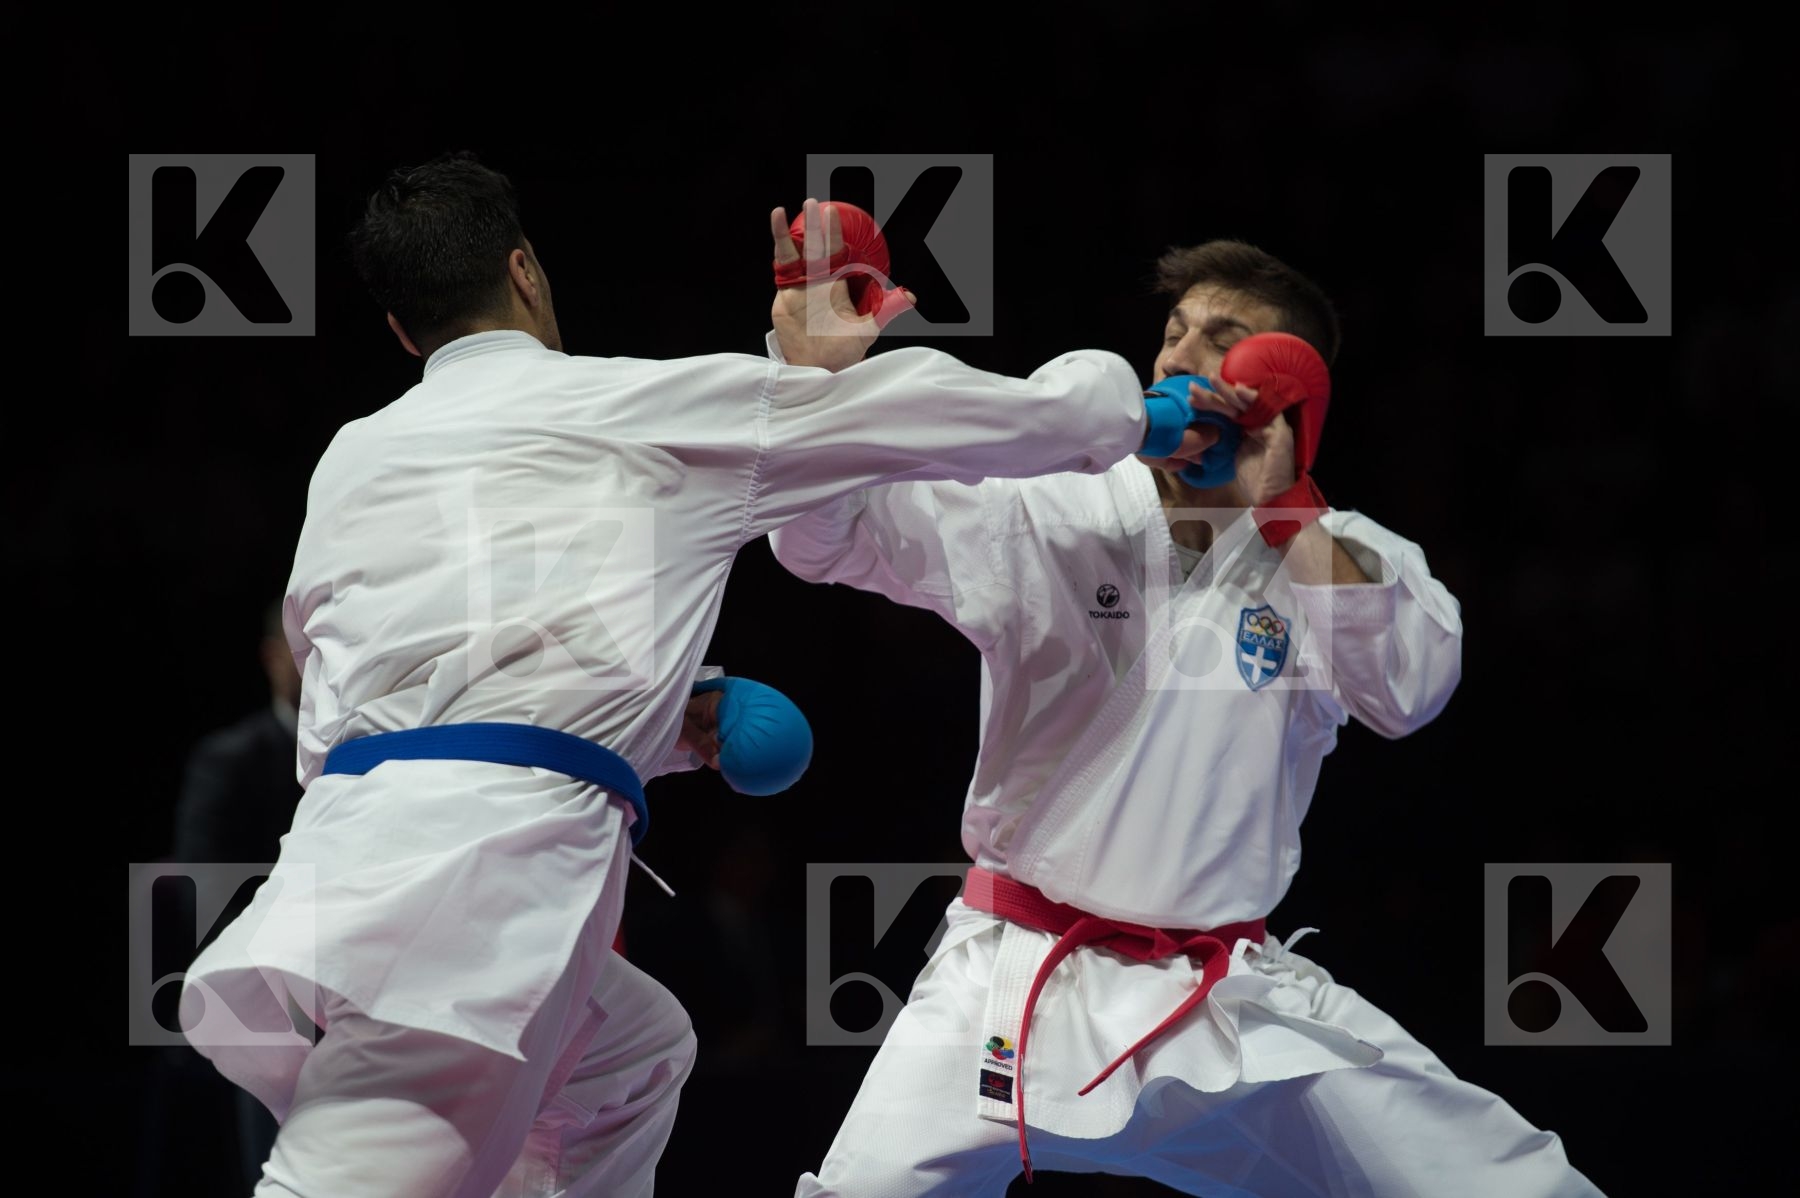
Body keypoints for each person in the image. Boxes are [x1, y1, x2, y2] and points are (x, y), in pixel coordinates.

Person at [178, 151, 1222, 1198]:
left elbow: (373, 703)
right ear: (527, 271)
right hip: (467, 899)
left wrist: (678, 724)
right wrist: (1142, 414)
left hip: (351, 859)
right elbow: (930, 416)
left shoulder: (354, 456)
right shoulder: (649, 408)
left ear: (403, 331)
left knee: (629, 1056)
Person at [772, 239, 1606, 1195]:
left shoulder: (1336, 554)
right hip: (1010, 979)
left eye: (1223, 338)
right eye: (1172, 335)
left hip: (1230, 1003)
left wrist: (1288, 513)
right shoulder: (1050, 504)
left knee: (1518, 1185)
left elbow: (1408, 693)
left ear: (1284, 386)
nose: (1177, 358)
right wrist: (813, 380)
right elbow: (820, 540)